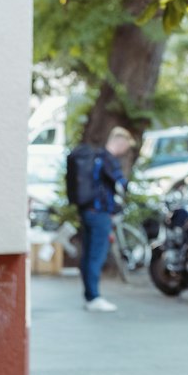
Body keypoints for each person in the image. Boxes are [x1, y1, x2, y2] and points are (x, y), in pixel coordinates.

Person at [67, 126, 137, 312]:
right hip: (100, 214)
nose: (124, 152)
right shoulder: (107, 160)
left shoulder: (94, 157)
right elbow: (121, 184)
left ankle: (90, 296)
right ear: (120, 142)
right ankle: (94, 297)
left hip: (86, 211)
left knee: (89, 254)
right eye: (125, 147)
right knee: (96, 256)